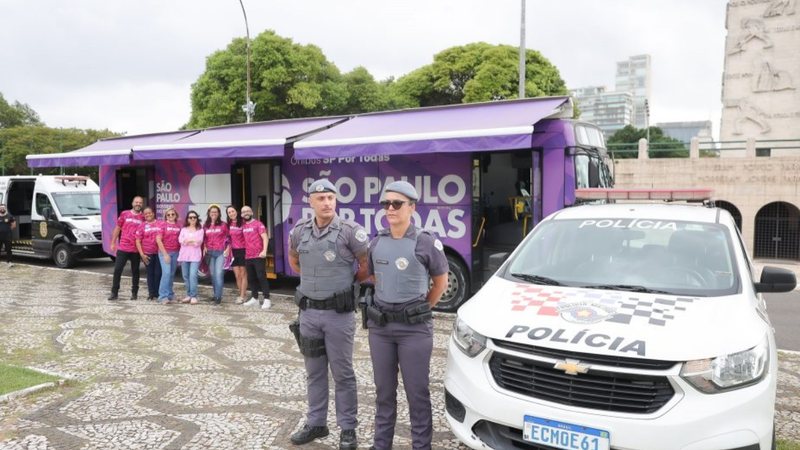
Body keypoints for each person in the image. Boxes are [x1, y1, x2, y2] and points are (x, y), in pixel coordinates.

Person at [365, 181, 448, 450]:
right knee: (384, 394)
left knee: (418, 394)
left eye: (397, 204)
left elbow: (441, 283)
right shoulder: (377, 241)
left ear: (411, 207)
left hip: (414, 330)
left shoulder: (425, 241)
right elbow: (375, 277)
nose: (390, 208)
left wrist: (421, 308)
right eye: (386, 204)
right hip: (381, 329)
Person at [287, 179, 369, 450]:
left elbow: (365, 266)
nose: (326, 203)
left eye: (331, 198)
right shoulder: (300, 231)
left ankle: (347, 429)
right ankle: (316, 423)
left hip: (338, 314)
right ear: (310, 201)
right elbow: (294, 259)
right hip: (309, 313)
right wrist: (315, 281)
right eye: (320, 198)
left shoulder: (350, 232)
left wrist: (342, 284)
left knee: (343, 373)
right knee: (314, 372)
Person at [108, 196, 145, 300]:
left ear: (142, 204)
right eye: (136, 202)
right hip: (123, 247)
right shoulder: (125, 214)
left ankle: (134, 293)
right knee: (118, 270)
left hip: (136, 249)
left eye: (140, 202)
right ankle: (114, 293)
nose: (138, 204)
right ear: (132, 203)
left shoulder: (143, 217)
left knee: (135, 271)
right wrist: (113, 242)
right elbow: (117, 228)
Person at [241, 205, 271, 309]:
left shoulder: (258, 224)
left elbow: (265, 237)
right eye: (244, 212)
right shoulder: (243, 226)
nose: (246, 213)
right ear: (241, 214)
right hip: (248, 256)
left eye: (248, 211)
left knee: (261, 276)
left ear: (252, 212)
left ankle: (267, 299)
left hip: (259, 255)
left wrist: (264, 250)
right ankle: (255, 298)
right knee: (251, 278)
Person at [203, 204, 229, 305]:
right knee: (213, 275)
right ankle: (215, 295)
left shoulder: (223, 224)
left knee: (218, 274)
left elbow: (229, 237)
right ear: (209, 213)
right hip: (209, 253)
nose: (213, 213)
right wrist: (204, 245)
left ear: (218, 213)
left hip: (220, 252)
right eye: (212, 212)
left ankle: (218, 297)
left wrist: (228, 248)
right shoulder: (206, 225)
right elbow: (204, 238)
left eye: (215, 212)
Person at [135, 207, 162, 301]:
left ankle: (158, 293)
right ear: (144, 215)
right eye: (146, 214)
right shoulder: (141, 226)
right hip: (147, 254)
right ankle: (151, 294)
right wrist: (142, 254)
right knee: (150, 273)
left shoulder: (160, 223)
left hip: (159, 253)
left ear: (153, 213)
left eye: (149, 213)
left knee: (158, 273)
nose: (148, 215)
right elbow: (138, 241)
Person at [156, 207, 181, 304]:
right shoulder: (162, 225)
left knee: (171, 274)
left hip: (175, 253)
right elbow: (158, 240)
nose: (170, 216)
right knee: (166, 273)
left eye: (172, 214)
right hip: (164, 253)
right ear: (165, 216)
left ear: (176, 215)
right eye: (168, 214)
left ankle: (170, 294)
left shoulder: (179, 226)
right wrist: (165, 254)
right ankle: (162, 296)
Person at [178, 210, 204, 305]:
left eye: (194, 217)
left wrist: (188, 240)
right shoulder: (184, 229)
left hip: (195, 256)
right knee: (185, 276)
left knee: (192, 275)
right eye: (190, 217)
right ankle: (188, 295)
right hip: (184, 255)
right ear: (187, 219)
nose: (192, 219)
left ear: (197, 219)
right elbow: (180, 240)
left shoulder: (200, 230)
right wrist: (191, 240)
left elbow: (198, 242)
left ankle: (193, 296)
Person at [226, 205, 248, 303]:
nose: (231, 213)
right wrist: (227, 248)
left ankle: (242, 296)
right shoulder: (228, 224)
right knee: (237, 275)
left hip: (243, 250)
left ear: (237, 212)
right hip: (234, 252)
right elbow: (228, 239)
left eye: (232, 211)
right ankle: (242, 294)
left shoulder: (243, 222)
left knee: (243, 274)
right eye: (229, 212)